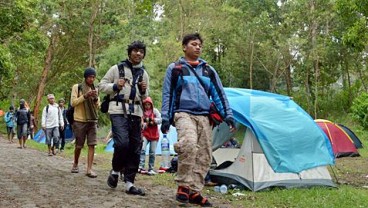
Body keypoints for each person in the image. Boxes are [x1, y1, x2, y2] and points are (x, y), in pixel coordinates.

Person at [160, 33, 236, 207]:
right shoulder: (176, 68)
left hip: (204, 117)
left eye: (200, 45)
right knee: (188, 143)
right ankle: (183, 185)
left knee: (204, 154)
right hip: (183, 113)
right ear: (184, 47)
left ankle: (195, 191)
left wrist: (228, 115)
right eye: (194, 44)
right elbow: (167, 94)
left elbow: (219, 94)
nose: (198, 47)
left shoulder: (209, 70)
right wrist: (165, 117)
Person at [99, 40, 149, 196]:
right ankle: (115, 170)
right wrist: (115, 86)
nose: (138, 53)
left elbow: (145, 97)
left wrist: (143, 91)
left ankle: (129, 183)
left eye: (141, 51)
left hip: (136, 112)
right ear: (129, 53)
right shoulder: (117, 69)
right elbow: (101, 86)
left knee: (135, 147)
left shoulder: (144, 73)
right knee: (122, 143)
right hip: (118, 110)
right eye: (135, 50)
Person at [70, 67, 100, 178]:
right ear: (85, 77)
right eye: (89, 77)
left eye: (93, 77)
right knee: (79, 145)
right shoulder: (77, 87)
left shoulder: (95, 89)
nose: (91, 79)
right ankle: (75, 163)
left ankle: (89, 169)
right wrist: (85, 96)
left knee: (92, 144)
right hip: (79, 120)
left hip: (92, 120)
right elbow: (73, 103)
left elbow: (98, 106)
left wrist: (96, 99)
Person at [138, 97, 162, 175]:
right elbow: (141, 124)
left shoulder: (154, 111)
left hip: (154, 135)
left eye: (149, 104)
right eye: (146, 105)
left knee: (152, 152)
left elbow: (160, 119)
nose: (147, 106)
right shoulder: (142, 112)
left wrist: (153, 121)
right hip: (145, 134)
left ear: (151, 105)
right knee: (142, 149)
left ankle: (151, 168)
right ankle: (141, 166)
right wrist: (145, 124)